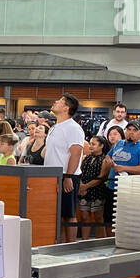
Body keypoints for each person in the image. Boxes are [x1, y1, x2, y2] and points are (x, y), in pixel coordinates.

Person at [45, 93, 86, 241]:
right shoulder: (54, 127)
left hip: (66, 175)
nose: (55, 102)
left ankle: (70, 245)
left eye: (59, 101)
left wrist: (68, 176)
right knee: (58, 214)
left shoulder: (73, 128)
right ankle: (60, 244)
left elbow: (76, 153)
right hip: (51, 175)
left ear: (66, 108)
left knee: (69, 214)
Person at [77, 136, 109, 237]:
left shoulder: (104, 159)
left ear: (101, 146)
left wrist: (85, 186)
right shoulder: (86, 157)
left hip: (97, 190)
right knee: (84, 216)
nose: (90, 146)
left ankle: (100, 241)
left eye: (93, 144)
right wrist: (81, 185)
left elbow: (101, 177)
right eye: (90, 143)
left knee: (98, 217)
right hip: (84, 191)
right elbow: (80, 171)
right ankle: (84, 240)